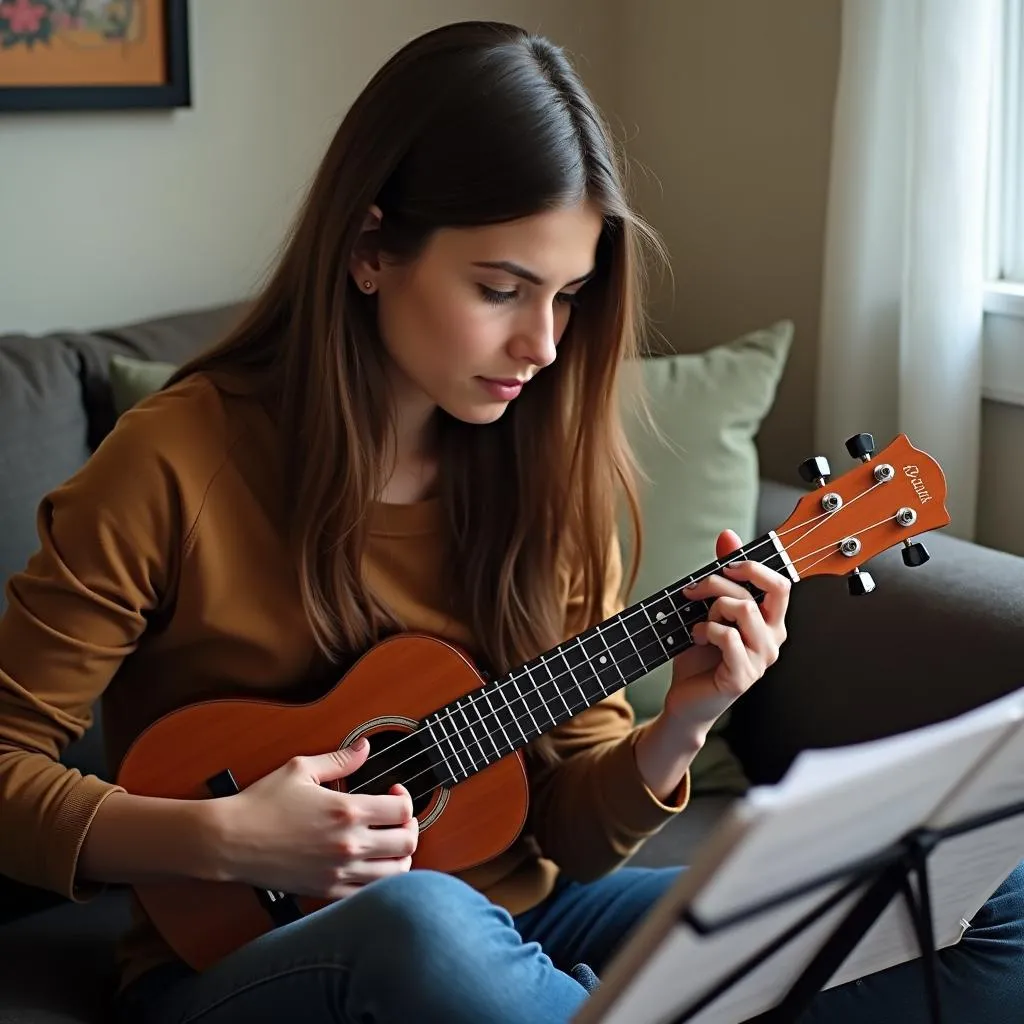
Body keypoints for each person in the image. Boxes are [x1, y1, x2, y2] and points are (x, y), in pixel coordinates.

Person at [0, 19, 1021, 1024]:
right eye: (500, 289)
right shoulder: (172, 461)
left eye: (568, 296)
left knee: (985, 896)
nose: (540, 343)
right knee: (424, 923)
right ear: (369, 248)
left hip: (534, 922)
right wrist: (226, 839)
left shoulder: (551, 471)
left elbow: (571, 833)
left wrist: (683, 724)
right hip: (253, 958)